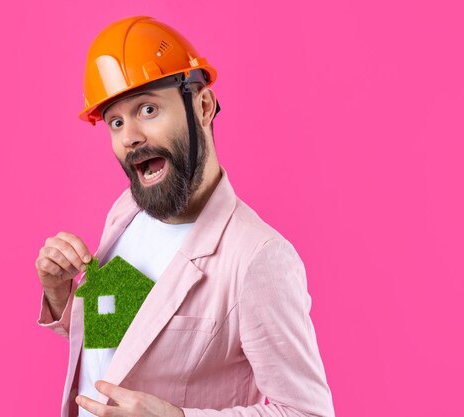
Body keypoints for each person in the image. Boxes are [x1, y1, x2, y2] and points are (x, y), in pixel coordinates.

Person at [35, 16, 335, 417]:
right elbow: (119, 345)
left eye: (148, 109)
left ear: (204, 106)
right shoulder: (127, 213)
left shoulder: (258, 258)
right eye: (116, 122)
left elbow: (309, 412)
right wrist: (59, 294)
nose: (130, 137)